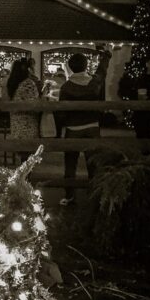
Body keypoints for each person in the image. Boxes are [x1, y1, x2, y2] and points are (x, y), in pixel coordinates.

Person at [56, 48, 111, 206]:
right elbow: (102, 71)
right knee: (93, 162)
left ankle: (70, 195)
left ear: (71, 67)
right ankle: (95, 194)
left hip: (73, 128)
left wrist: (61, 127)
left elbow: (61, 112)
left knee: (70, 163)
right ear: (86, 66)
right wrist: (106, 56)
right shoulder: (94, 82)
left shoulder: (66, 87)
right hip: (93, 126)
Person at [6, 58, 40, 162]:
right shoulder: (28, 83)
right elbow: (34, 103)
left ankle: (22, 175)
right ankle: (25, 176)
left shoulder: (13, 83)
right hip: (28, 121)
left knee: (23, 152)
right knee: (28, 152)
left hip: (16, 120)